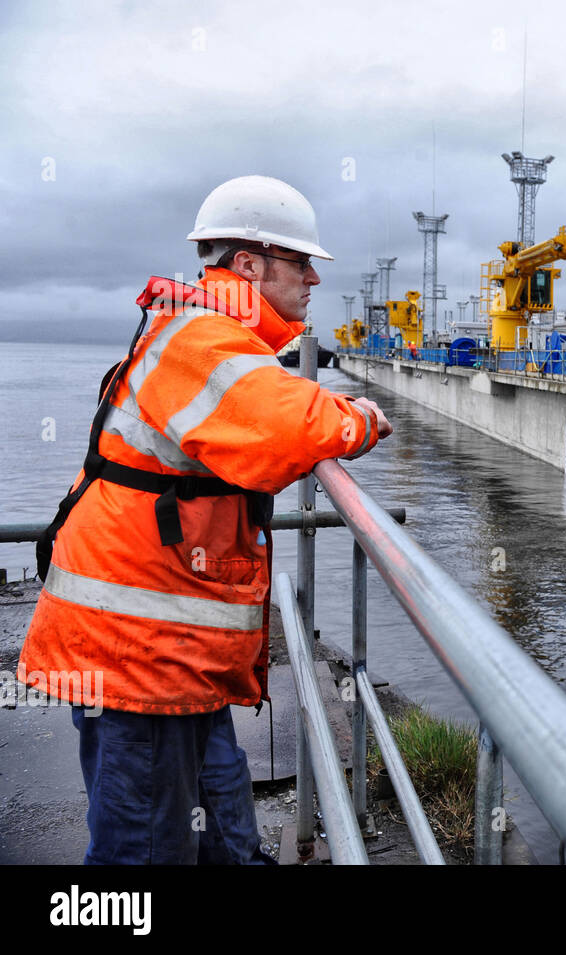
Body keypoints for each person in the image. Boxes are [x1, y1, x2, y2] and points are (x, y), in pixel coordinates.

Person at [21, 174, 393, 865]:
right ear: (248, 265)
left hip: (172, 661)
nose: (313, 277)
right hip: (137, 664)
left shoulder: (209, 335)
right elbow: (295, 428)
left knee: (225, 841)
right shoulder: (204, 341)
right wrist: (365, 415)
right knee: (143, 858)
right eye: (299, 261)